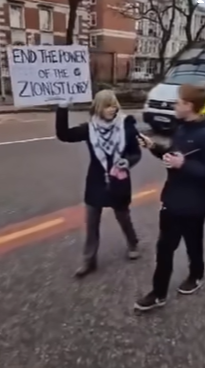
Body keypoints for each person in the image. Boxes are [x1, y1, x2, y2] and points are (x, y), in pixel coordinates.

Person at [134, 84, 205, 312]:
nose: (174, 105)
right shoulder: (182, 128)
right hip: (173, 199)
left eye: (178, 102)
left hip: (194, 203)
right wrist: (153, 147)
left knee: (193, 243)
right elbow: (173, 154)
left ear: (189, 106)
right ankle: (159, 293)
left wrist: (184, 164)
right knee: (164, 247)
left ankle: (196, 274)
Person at [55, 90, 142, 278]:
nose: (113, 109)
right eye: (108, 105)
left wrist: (128, 162)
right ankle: (89, 260)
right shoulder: (90, 128)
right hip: (96, 180)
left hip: (119, 179)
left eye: (115, 104)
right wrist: (62, 107)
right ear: (98, 108)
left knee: (123, 217)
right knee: (92, 222)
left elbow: (136, 153)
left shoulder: (126, 126)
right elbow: (64, 135)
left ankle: (133, 243)